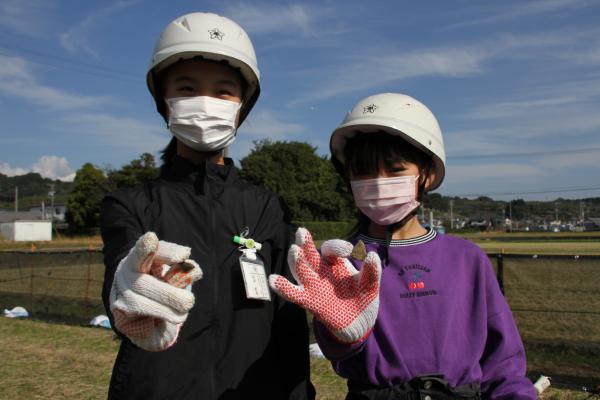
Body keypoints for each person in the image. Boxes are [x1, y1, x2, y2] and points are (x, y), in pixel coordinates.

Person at [100, 12, 315, 400]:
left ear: (241, 106)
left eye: (222, 91)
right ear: (163, 101)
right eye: (186, 88)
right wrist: (125, 290)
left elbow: (288, 321)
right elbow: (119, 278)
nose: (205, 102)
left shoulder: (267, 207)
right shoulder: (130, 204)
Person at [269, 93, 537, 399]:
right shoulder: (343, 262)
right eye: (363, 172)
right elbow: (338, 354)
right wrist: (344, 337)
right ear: (348, 178)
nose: (379, 182)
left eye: (395, 170)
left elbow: (503, 362)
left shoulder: (467, 259)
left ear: (428, 173)